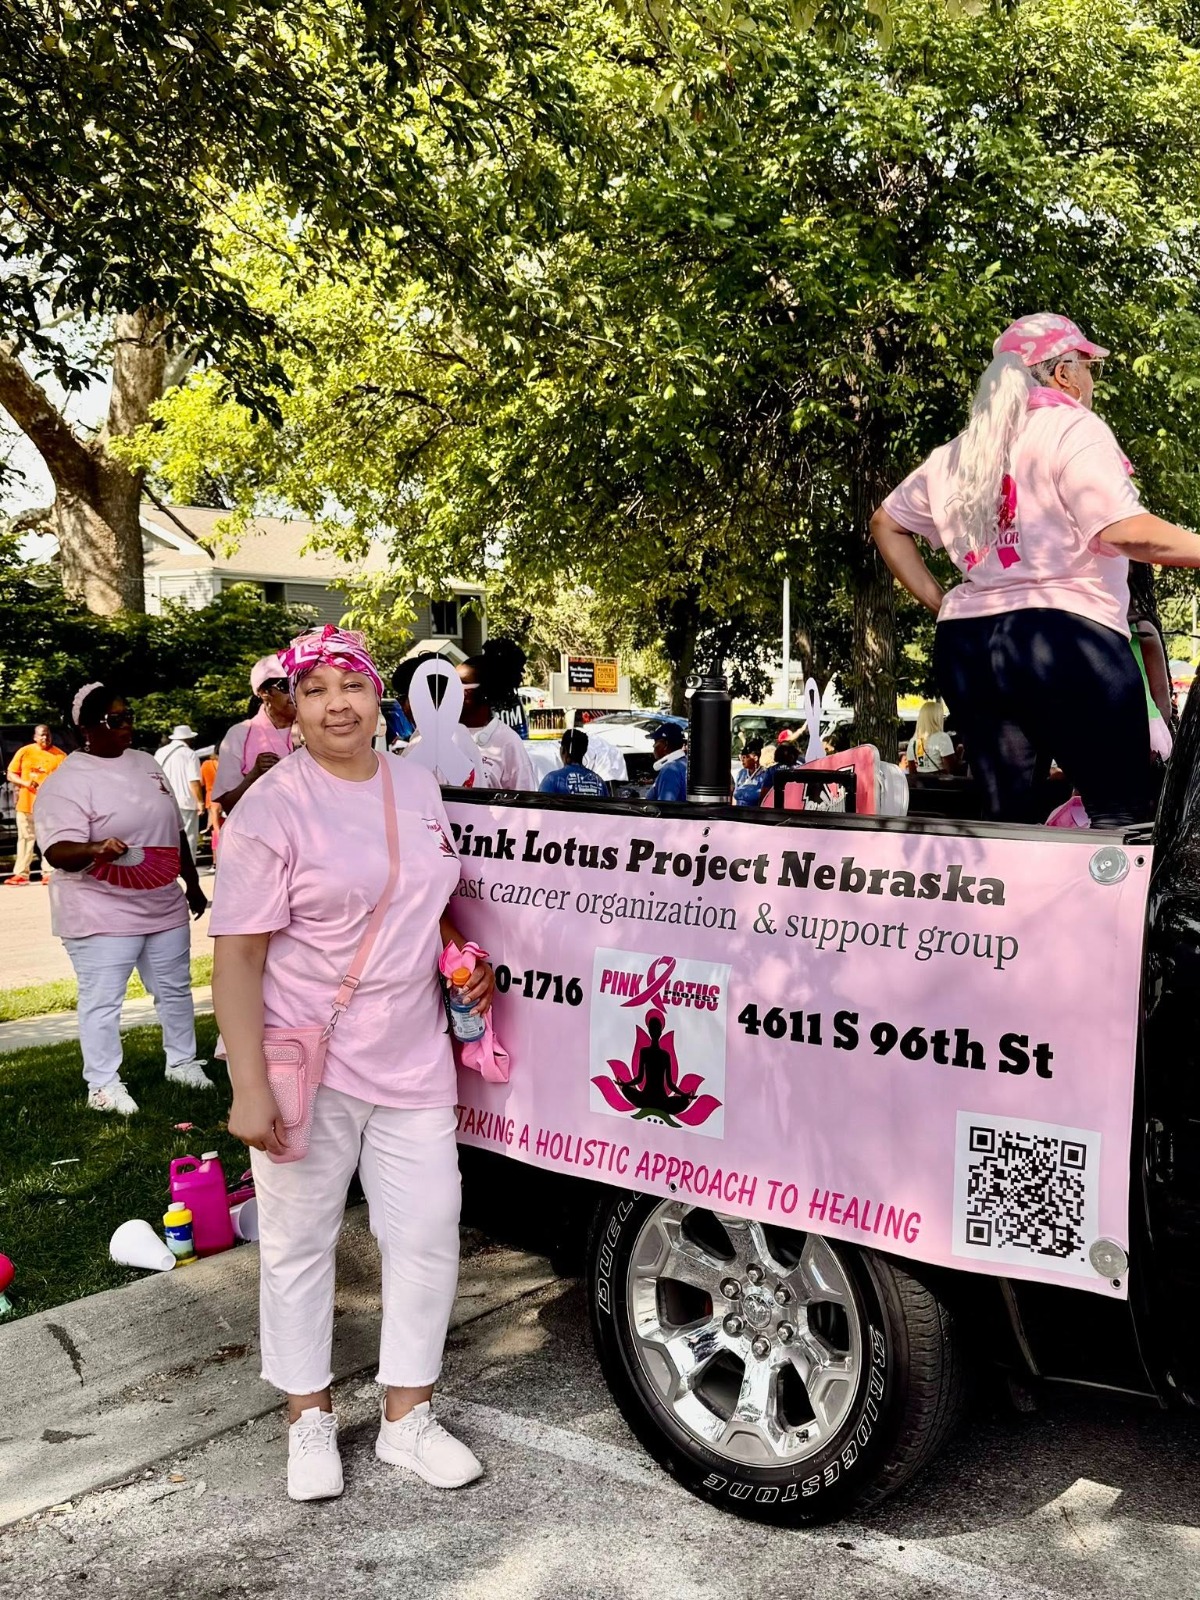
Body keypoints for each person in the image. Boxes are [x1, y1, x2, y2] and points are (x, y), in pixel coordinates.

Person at [210, 625, 494, 1504]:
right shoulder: (273, 806)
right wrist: (249, 1085)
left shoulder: (415, 785)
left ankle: (409, 1419)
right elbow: (238, 956)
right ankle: (309, 1419)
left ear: (382, 699)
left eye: (354, 686)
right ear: (291, 706)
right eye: (317, 688)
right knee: (299, 1245)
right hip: (308, 1057)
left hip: (412, 1055)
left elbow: (424, 897)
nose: (338, 703)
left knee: (426, 1237)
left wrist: (459, 956)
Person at [871, 312, 1200, 827]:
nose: (1092, 382)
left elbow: (886, 522)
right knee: (1121, 821)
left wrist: (943, 602)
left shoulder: (962, 450)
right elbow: (1119, 530)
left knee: (1007, 824)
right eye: (1089, 368)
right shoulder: (1072, 427)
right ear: (1064, 372)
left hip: (970, 645)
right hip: (1066, 636)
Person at [34, 684, 212, 1115]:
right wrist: (94, 849)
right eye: (115, 720)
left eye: (127, 715)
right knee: (103, 1000)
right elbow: (56, 851)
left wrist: (191, 882)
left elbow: (172, 831)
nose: (126, 724)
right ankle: (102, 1085)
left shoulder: (147, 763)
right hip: (99, 911)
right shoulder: (67, 782)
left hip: (161, 901)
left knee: (174, 990)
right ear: (86, 729)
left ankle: (182, 1062)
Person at [213, 655, 297, 818]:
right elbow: (229, 805)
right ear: (264, 693)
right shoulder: (240, 734)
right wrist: (254, 775)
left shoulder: (313, 729)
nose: (295, 693)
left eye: (298, 684)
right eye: (286, 686)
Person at [457, 639, 536, 790]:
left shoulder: (508, 742)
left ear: (485, 691)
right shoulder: (439, 734)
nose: (452, 688)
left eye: (462, 682)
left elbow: (524, 803)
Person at [5, 724, 66, 884]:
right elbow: (11, 774)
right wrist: (25, 783)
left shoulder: (60, 756)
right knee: (25, 839)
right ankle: (21, 875)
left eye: (47, 735)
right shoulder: (25, 751)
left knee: (48, 839)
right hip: (26, 804)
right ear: (35, 737)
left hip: (49, 807)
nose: (45, 738)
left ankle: (49, 872)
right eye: (41, 735)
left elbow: (67, 781)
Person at [156, 724, 205, 858]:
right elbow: (194, 780)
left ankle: (168, 868)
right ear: (188, 739)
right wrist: (200, 802)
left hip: (164, 801)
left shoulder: (161, 752)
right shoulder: (189, 754)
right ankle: (187, 869)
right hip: (186, 801)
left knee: (167, 839)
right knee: (188, 838)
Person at [539, 730, 610, 797]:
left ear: (563, 750)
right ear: (584, 751)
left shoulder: (552, 779)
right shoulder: (599, 782)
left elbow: (540, 808)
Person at [904, 702, 956, 774]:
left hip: (921, 783)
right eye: (942, 716)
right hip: (939, 783)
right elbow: (952, 769)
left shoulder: (913, 741)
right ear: (936, 718)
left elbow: (912, 771)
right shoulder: (942, 737)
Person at [646, 722, 687, 803]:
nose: (653, 747)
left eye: (655, 742)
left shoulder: (670, 770)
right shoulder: (684, 763)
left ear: (665, 745)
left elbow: (664, 808)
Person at [733, 738, 766, 805]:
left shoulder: (765, 775)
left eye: (745, 757)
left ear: (755, 758)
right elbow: (734, 797)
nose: (742, 760)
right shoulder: (741, 773)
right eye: (742, 757)